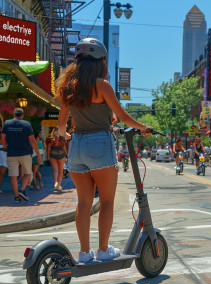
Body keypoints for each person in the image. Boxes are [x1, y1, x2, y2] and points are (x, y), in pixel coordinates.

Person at [56, 38, 152, 263]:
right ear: (102, 62)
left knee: (83, 202)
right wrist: (143, 127)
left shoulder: (70, 86)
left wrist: (67, 135)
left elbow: (61, 125)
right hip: (100, 144)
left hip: (77, 146)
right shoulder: (102, 85)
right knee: (107, 201)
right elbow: (125, 116)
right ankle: (103, 249)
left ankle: (84, 253)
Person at [1, 108, 40, 203]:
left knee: (13, 177)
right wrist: (38, 153)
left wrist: (4, 146)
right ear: (22, 115)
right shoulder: (26, 124)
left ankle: (16, 197)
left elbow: (3, 137)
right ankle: (22, 190)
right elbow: (32, 140)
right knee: (28, 173)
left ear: (14, 115)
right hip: (25, 153)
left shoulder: (7, 123)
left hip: (11, 153)